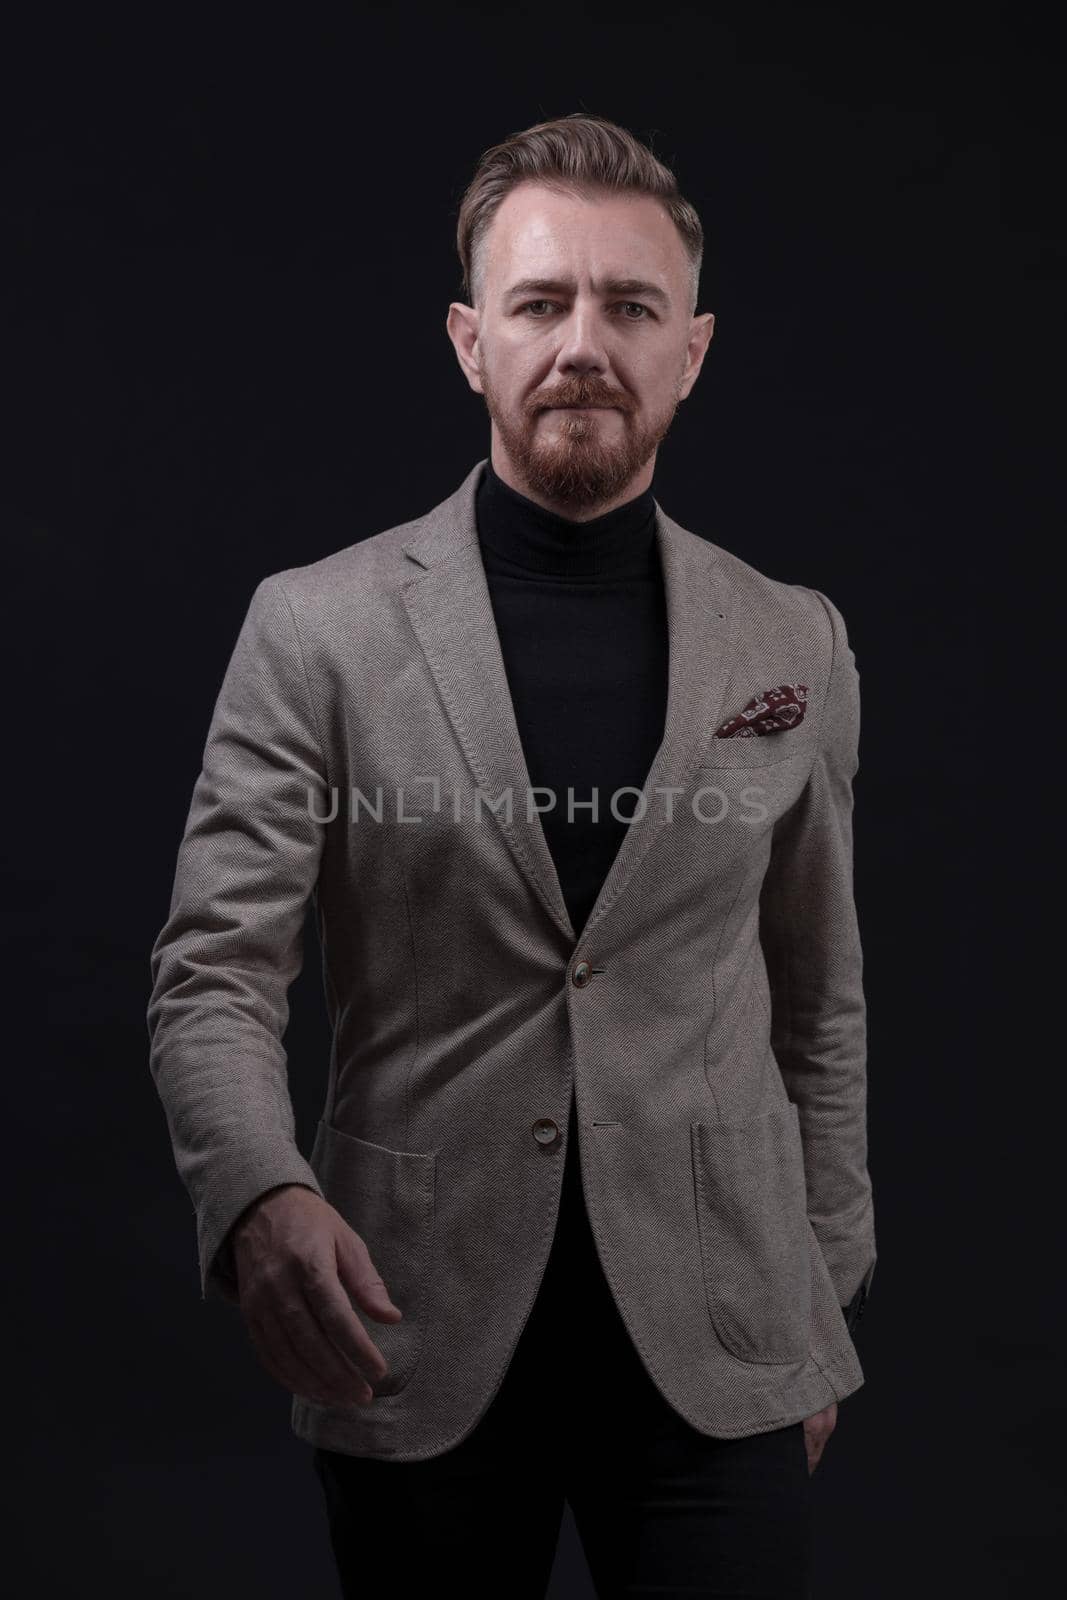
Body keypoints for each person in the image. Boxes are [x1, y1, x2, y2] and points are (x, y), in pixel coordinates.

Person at [147, 111, 876, 1599]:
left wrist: (824, 1294)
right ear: (472, 341)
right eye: (542, 304)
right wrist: (260, 1196)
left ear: (695, 348)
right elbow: (212, 976)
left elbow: (820, 999)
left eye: (631, 306)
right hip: (412, 1327)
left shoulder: (792, 638)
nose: (584, 344)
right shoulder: (319, 627)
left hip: (724, 1335)